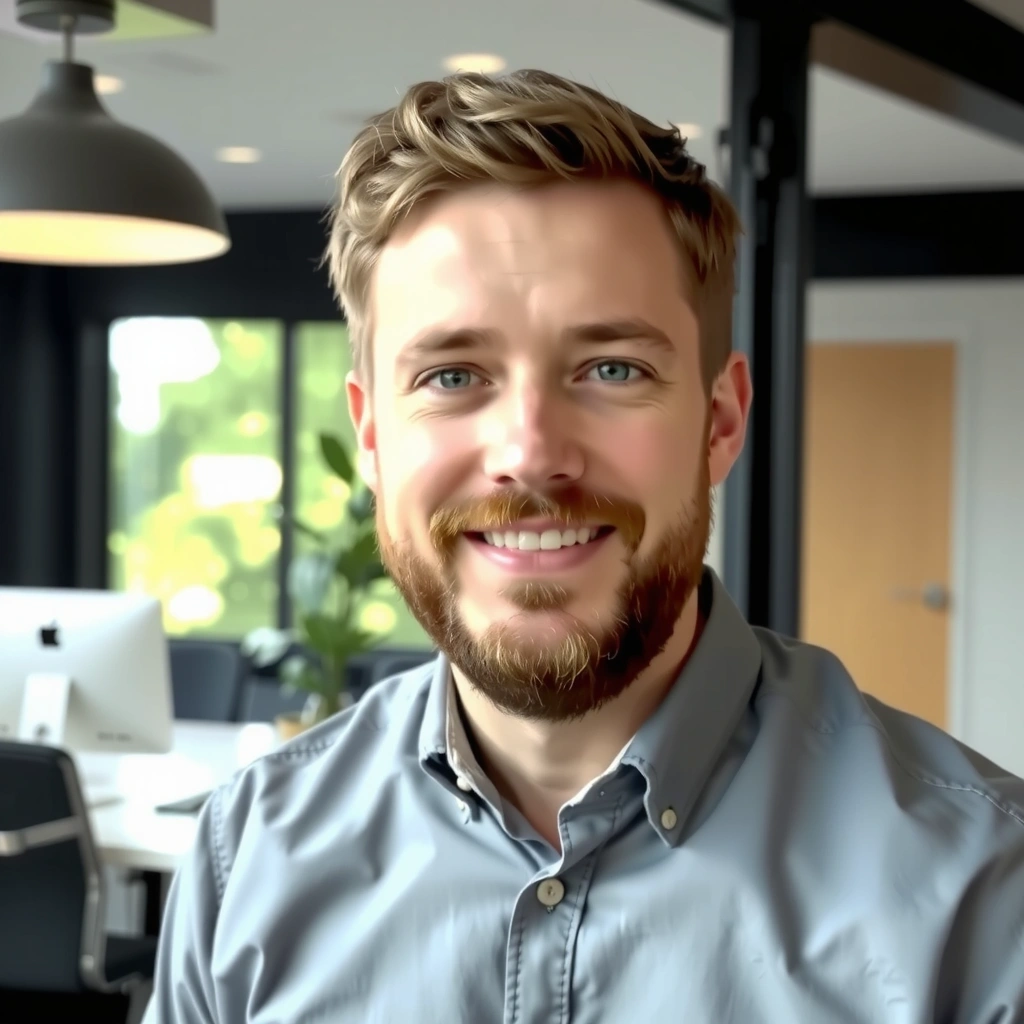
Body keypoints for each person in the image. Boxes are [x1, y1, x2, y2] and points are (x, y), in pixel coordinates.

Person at [146, 70, 1024, 1023]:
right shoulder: (251, 855)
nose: (529, 455)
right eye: (451, 375)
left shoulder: (978, 889)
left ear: (720, 423)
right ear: (369, 437)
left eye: (612, 368)